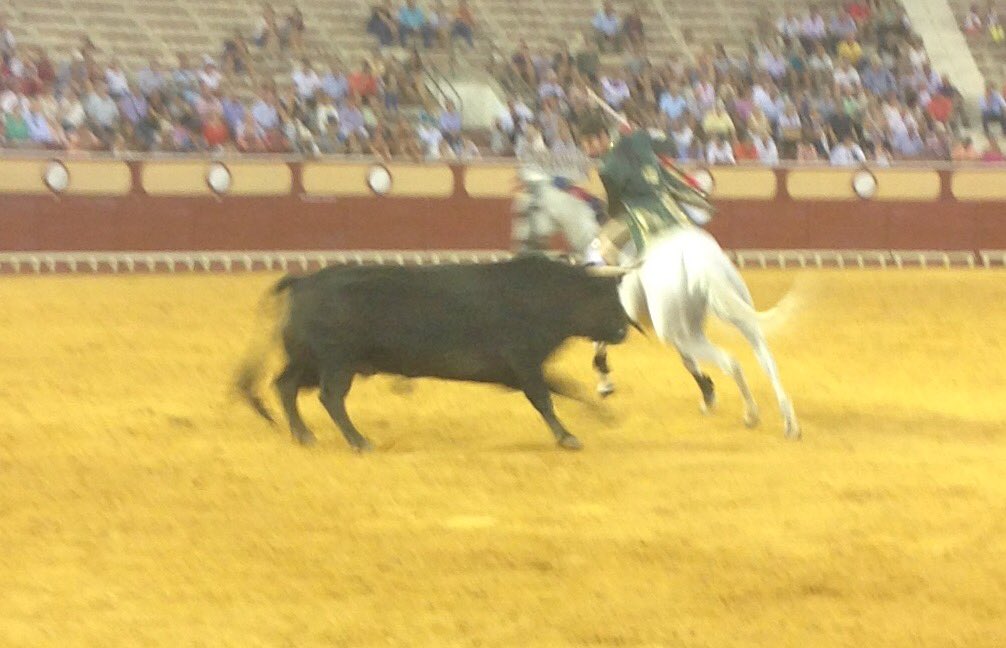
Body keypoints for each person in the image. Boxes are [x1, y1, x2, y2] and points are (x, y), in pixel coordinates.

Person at [576, 111, 715, 265]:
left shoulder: (607, 169)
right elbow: (669, 144)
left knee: (597, 252)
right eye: (583, 144)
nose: (586, 148)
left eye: (589, 141)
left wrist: (603, 213)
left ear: (603, 135)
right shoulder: (638, 138)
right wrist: (645, 132)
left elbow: (616, 209)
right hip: (672, 208)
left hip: (641, 216)